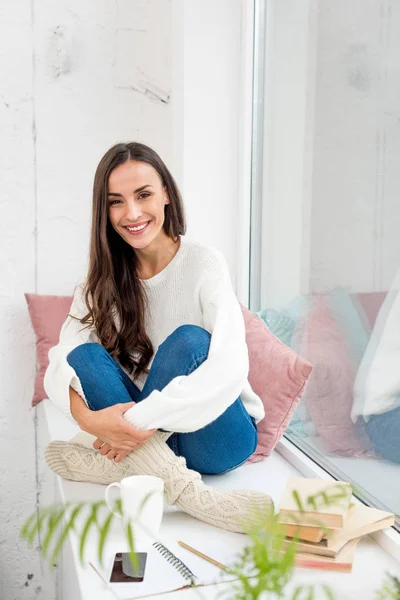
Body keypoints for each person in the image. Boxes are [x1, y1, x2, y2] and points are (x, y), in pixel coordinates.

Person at [44, 142, 272, 533]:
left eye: (143, 195)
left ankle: (120, 462)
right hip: (152, 440)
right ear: (105, 211)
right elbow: (59, 366)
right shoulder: (99, 282)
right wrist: (92, 421)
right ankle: (188, 493)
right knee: (82, 357)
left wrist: (131, 425)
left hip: (216, 437)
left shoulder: (204, 262)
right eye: (116, 202)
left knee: (189, 342)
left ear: (166, 193)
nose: (132, 213)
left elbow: (230, 365)